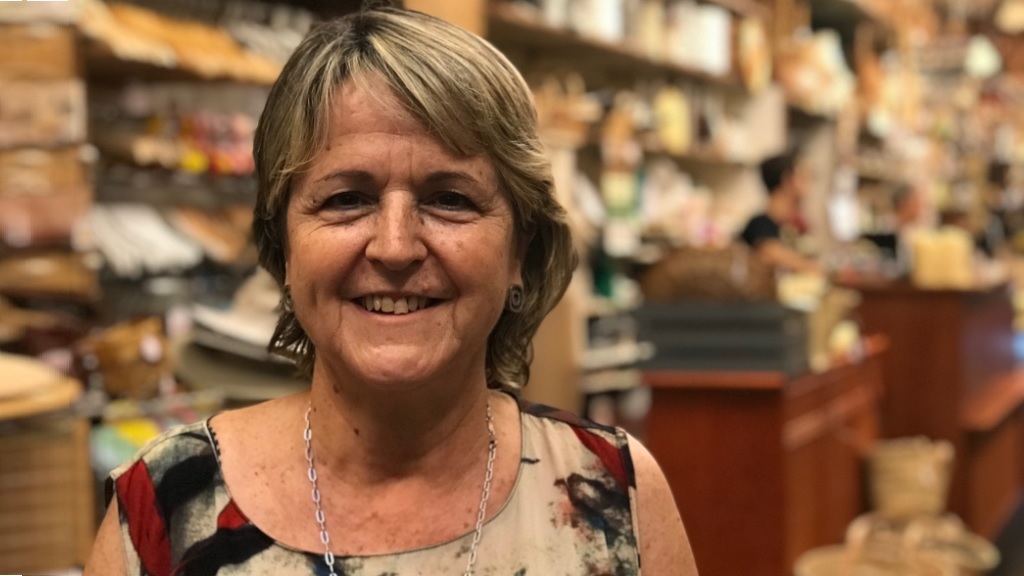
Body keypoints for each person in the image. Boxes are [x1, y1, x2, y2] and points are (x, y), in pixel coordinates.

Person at [84, 4, 698, 576]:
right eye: (346, 199)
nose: (396, 247)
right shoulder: (165, 506)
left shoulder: (614, 492)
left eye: (449, 199)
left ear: (521, 251)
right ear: (283, 247)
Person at [740, 149, 821, 274]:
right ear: (786, 180)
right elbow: (772, 253)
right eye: (802, 176)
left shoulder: (793, 223)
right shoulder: (759, 224)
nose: (809, 182)